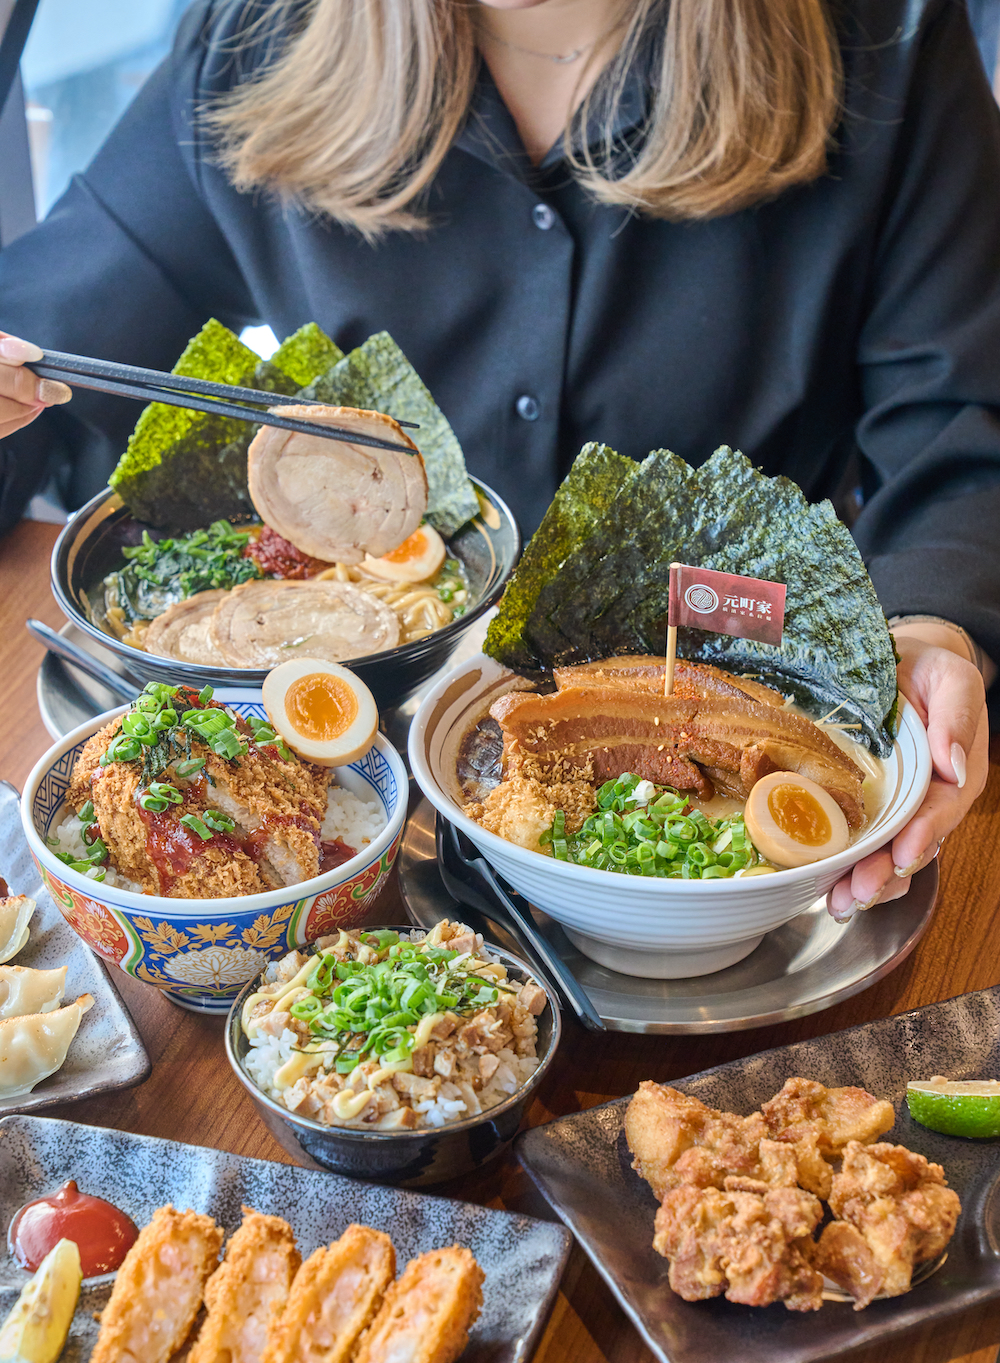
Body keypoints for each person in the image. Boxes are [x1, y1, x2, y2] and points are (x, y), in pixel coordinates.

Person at [0, 0, 995, 921]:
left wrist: (932, 623)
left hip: (746, 778)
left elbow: (964, 421)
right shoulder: (264, 32)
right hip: (342, 816)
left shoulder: (883, 38)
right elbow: (48, 329)